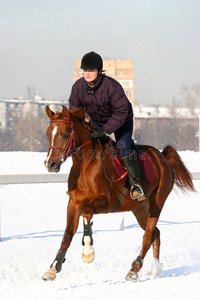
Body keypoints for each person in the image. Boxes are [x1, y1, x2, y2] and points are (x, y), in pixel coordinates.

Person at [69, 51, 145, 201]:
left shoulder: (111, 86)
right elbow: (75, 112)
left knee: (123, 146)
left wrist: (105, 131)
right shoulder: (78, 87)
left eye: (91, 70)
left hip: (122, 120)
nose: (87, 73)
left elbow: (121, 111)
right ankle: (82, 185)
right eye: (85, 70)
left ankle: (136, 185)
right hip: (97, 121)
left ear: (99, 71)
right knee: (86, 146)